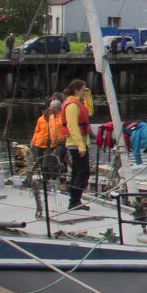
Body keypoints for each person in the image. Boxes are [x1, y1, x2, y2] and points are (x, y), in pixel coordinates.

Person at [58, 79, 93, 210]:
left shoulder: (78, 103)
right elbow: (73, 127)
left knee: (77, 171)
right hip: (76, 144)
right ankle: (75, 200)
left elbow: (89, 112)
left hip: (79, 143)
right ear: (77, 90)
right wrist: (81, 146)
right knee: (84, 172)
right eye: (84, 90)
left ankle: (74, 199)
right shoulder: (72, 106)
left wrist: (88, 97)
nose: (85, 92)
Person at [30, 99, 62, 178]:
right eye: (42, 109)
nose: (43, 111)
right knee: (41, 164)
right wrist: (32, 143)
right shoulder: (40, 119)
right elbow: (36, 132)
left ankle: (52, 178)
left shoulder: (53, 119)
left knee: (48, 163)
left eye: (44, 109)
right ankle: (45, 180)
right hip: (39, 144)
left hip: (48, 145)